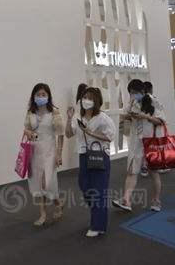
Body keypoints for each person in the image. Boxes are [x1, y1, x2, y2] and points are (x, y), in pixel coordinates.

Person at [66, 87, 116, 237]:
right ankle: (97, 213)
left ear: (96, 101)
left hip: (100, 156)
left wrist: (91, 133)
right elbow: (68, 134)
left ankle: (98, 226)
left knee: (98, 191)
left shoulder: (102, 118)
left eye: (90, 98)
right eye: (84, 97)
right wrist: (69, 118)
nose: (86, 100)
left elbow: (110, 136)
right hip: (84, 156)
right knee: (84, 185)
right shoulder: (78, 117)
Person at [112, 79, 165, 212]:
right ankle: (126, 200)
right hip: (136, 141)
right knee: (132, 171)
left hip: (150, 142)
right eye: (131, 92)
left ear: (142, 91)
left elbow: (161, 121)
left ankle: (156, 200)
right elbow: (124, 116)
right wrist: (131, 111)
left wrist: (145, 116)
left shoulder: (153, 101)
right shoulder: (133, 102)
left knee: (153, 173)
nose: (133, 95)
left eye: (135, 92)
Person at [23, 83, 64, 226]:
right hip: (34, 152)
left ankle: (57, 203)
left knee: (47, 183)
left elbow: (60, 134)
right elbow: (26, 129)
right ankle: (43, 213)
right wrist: (28, 133)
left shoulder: (54, 112)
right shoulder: (31, 112)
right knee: (38, 184)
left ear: (48, 96)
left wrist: (59, 154)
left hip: (49, 152)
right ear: (33, 96)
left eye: (43, 94)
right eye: (38, 94)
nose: (41, 97)